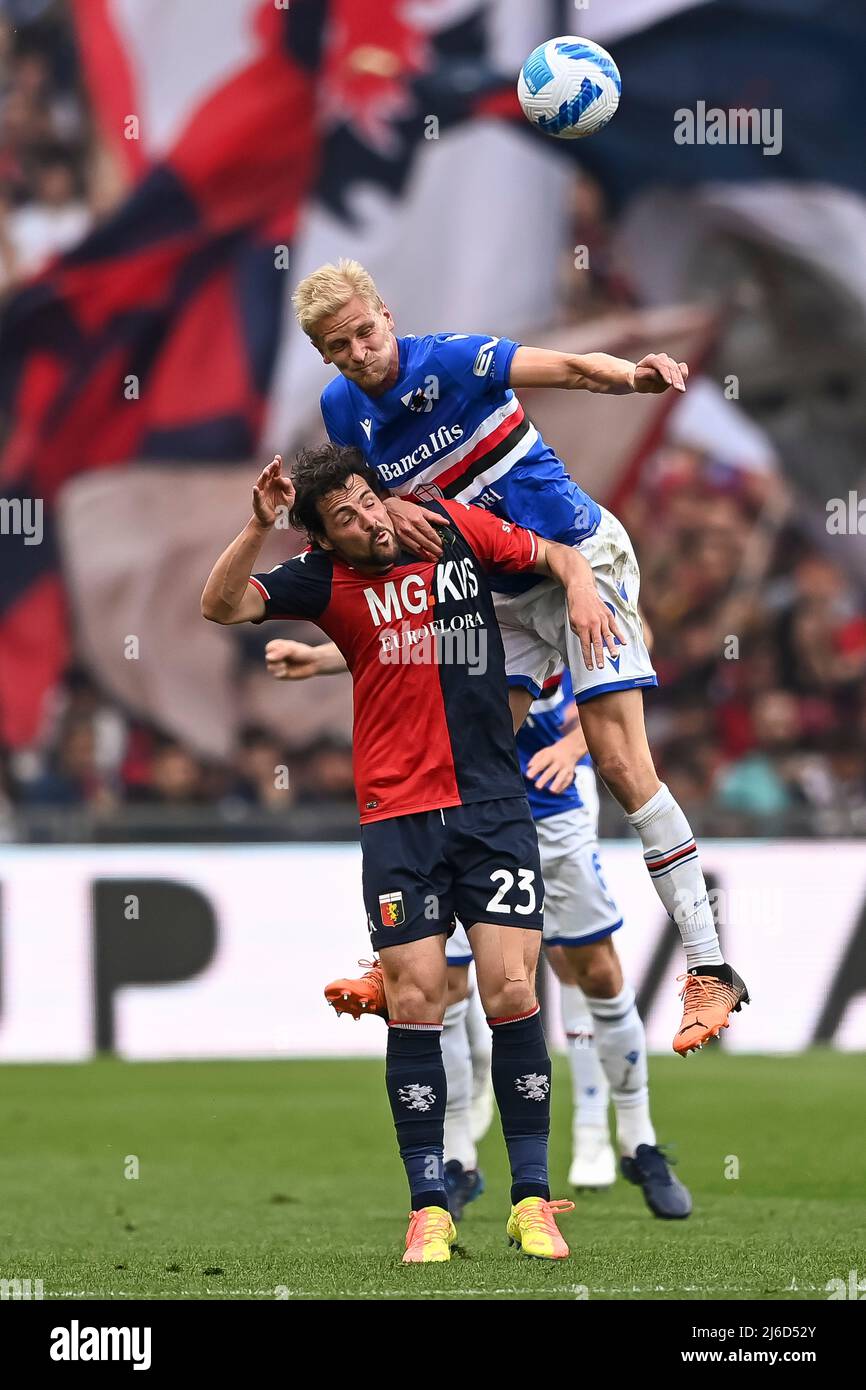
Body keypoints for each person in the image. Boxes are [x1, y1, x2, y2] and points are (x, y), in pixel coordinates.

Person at [291, 259, 750, 1053]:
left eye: (367, 331)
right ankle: (403, 948)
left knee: (617, 759)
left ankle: (711, 969)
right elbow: (370, 514)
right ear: (326, 357)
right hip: (501, 591)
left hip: (576, 556)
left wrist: (634, 379)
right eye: (342, 346)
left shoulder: (447, 360)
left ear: (387, 315)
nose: (362, 352)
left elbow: (567, 367)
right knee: (458, 769)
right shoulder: (343, 413)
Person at [202, 444, 623, 1263]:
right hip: (399, 818)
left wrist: (578, 587)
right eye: (346, 518)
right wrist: (257, 526)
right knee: (418, 1002)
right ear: (325, 539)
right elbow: (220, 606)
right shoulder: (323, 584)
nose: (367, 520)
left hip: (494, 808)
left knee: (509, 992)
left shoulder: (453, 529)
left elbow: (559, 553)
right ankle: (429, 1205)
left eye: (366, 498)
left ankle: (532, 1200)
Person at [270, 645, 691, 1221]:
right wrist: (322, 657)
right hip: (458, 811)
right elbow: (396, 626)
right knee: (442, 983)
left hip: (549, 805)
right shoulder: (448, 576)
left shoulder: (541, 567)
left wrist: (576, 746)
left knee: (594, 968)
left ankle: (637, 1141)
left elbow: (625, 630)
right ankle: (458, 1160)